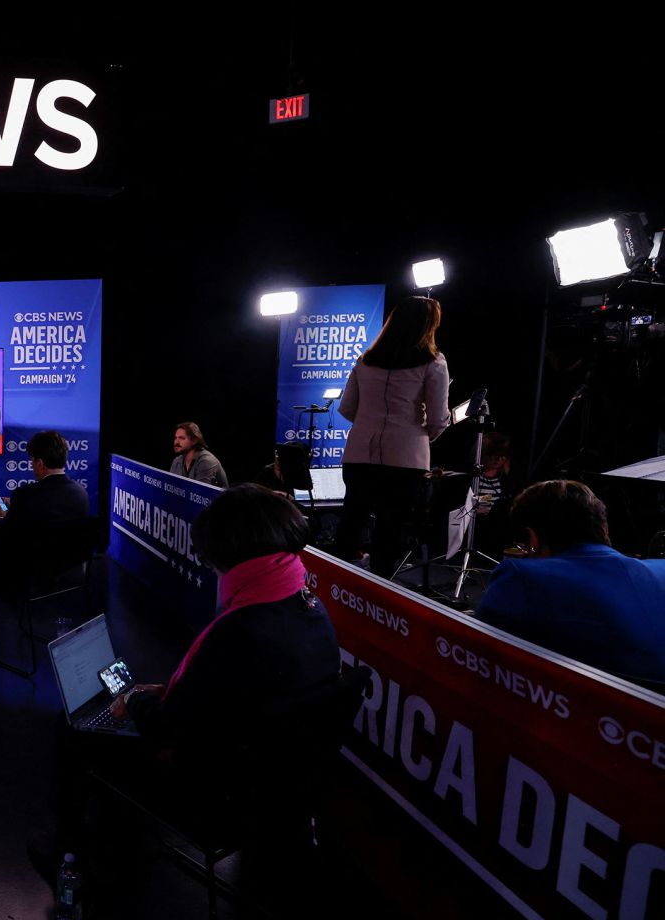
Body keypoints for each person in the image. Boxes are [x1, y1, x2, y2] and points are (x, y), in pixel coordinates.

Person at [108, 484, 340, 766]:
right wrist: (173, 691)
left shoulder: (236, 634)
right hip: (285, 769)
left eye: (210, 560)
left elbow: (167, 728)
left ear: (229, 556)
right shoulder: (312, 608)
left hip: (222, 778)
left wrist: (133, 699)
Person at [476, 480, 665, 687]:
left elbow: (476, 655)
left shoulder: (521, 576)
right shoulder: (661, 569)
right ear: (604, 527)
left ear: (533, 539)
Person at [332, 296, 451, 579]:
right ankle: (377, 597)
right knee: (390, 528)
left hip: (359, 452)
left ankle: (332, 585)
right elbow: (438, 419)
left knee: (351, 521)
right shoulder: (434, 363)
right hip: (406, 458)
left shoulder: (366, 361)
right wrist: (423, 433)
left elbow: (347, 408)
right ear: (428, 326)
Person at [0, 430, 90, 621]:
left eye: (32, 461)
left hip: (29, 570)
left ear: (40, 463)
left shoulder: (26, 494)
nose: (32, 466)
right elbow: (46, 515)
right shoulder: (81, 493)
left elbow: (6, 535)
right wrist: (13, 510)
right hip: (69, 568)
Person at [168, 422, 228, 487]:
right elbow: (171, 488)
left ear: (194, 440)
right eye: (175, 438)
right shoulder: (177, 461)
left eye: (181, 438)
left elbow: (200, 494)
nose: (176, 442)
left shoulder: (206, 461)